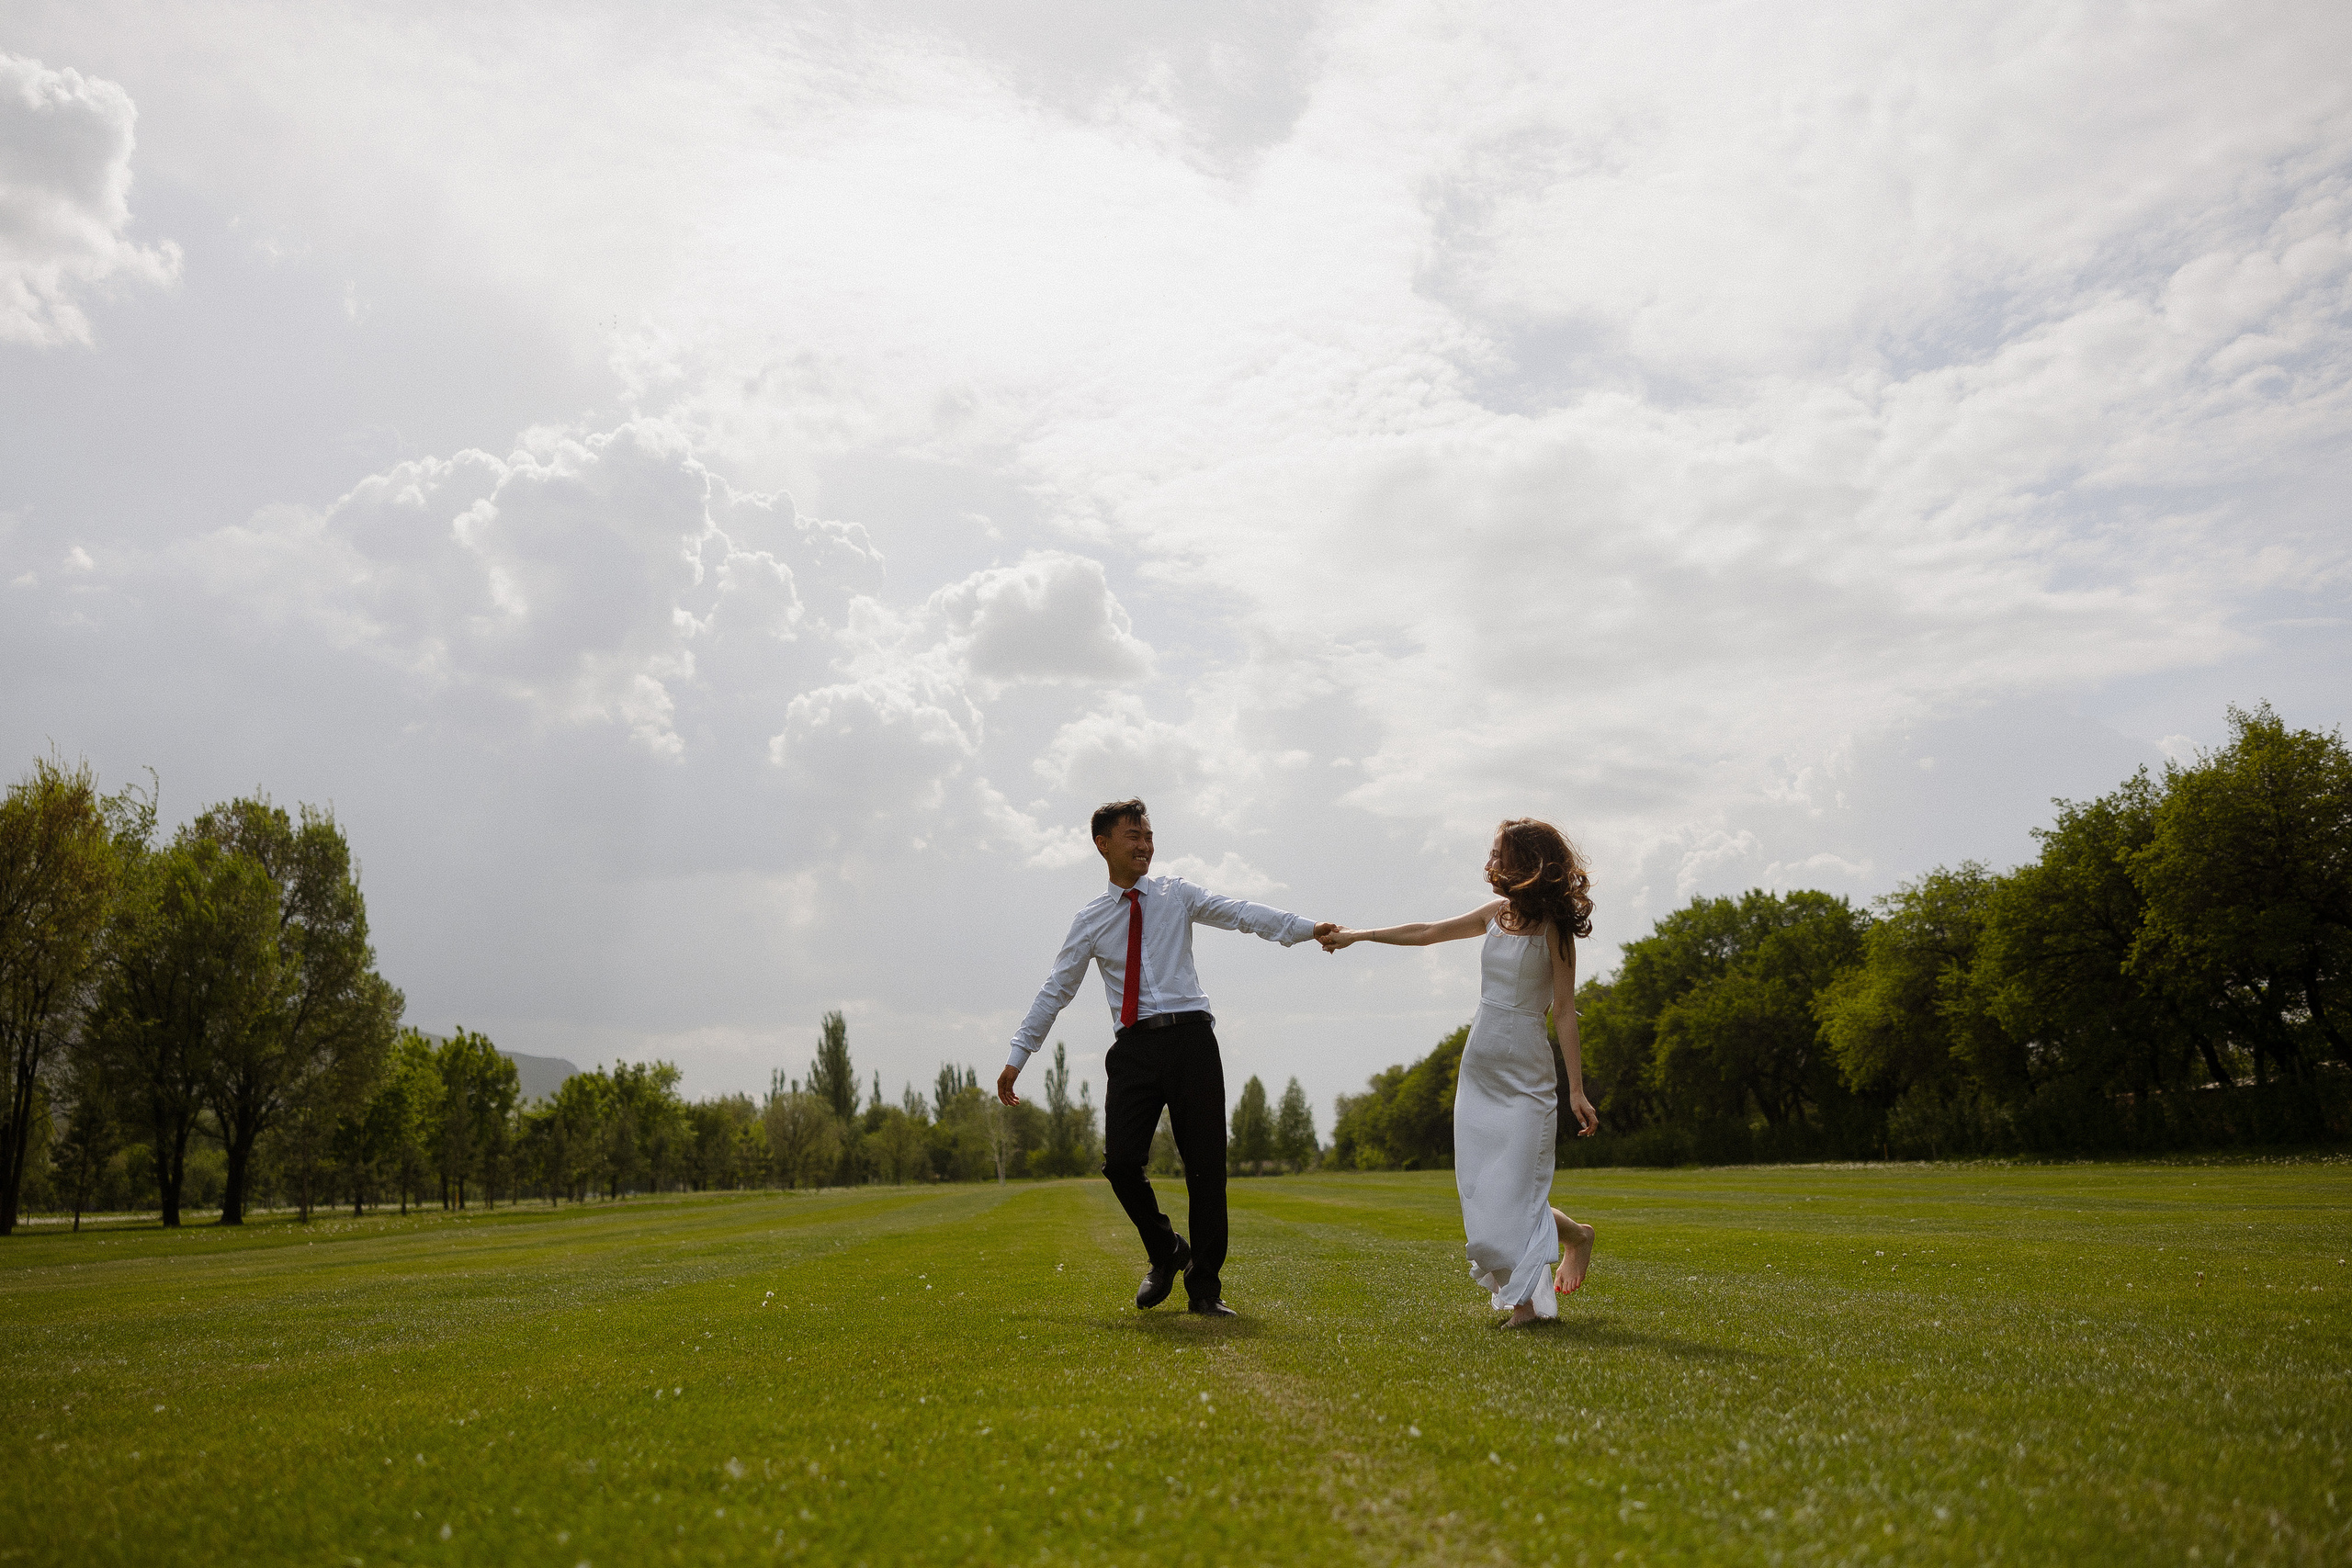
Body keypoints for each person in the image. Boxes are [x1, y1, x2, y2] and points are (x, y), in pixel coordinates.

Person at [1000, 798, 1334, 1316]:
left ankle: (1205, 1290)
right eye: (1133, 836)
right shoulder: (1090, 920)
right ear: (1103, 844)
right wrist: (1018, 1055)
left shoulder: (1176, 894)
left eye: (1149, 836)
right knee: (1120, 1164)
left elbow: (1241, 913)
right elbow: (1056, 990)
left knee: (1206, 1168)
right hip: (1134, 1048)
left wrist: (1308, 929)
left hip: (1192, 1040)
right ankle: (1166, 1250)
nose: (1145, 845)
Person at [1319, 818, 1600, 1326]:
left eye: (1498, 853)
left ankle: (1525, 1303)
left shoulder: (1554, 930)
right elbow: (1428, 933)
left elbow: (1563, 1012)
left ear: (1526, 862)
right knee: (1485, 1188)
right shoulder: (1495, 914)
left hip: (1527, 1074)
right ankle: (1576, 1235)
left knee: (1517, 1187)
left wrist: (1575, 1090)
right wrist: (1358, 935)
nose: (1489, 863)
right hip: (1481, 1068)